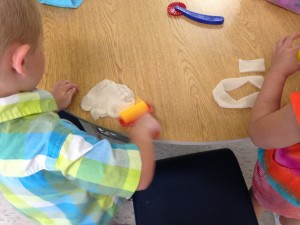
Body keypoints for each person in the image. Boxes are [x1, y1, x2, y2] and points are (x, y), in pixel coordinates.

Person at [0, 1, 160, 225]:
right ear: (22, 61)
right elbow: (139, 177)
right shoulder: (56, 142)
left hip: (36, 201)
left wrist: (50, 103)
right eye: (42, 45)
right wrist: (141, 132)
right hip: (79, 215)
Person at [249, 33, 300, 225]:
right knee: (294, 217)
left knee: (257, 199)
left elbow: (259, 132)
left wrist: (278, 71)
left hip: (282, 187)